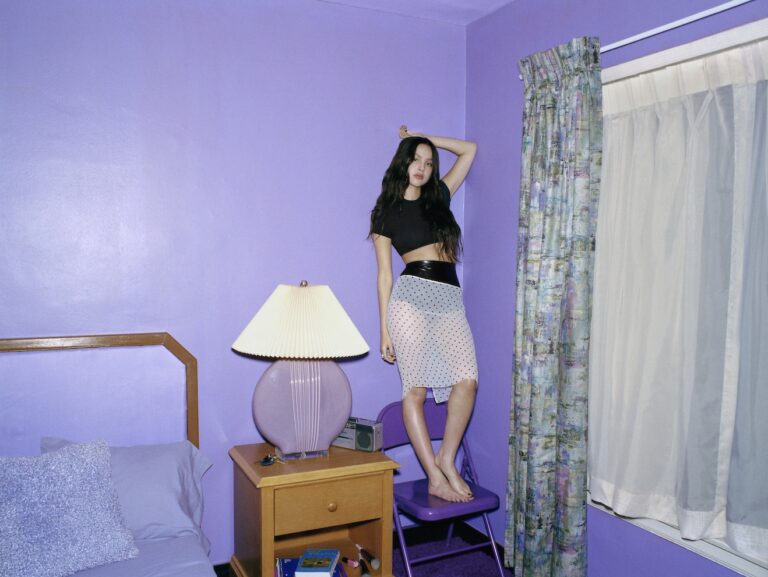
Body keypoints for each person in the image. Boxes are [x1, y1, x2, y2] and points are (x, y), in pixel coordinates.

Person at [370, 125, 478, 503]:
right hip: (410, 298)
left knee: (467, 382)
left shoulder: (439, 197)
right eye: (415, 159)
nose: (422, 167)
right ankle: (434, 476)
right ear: (402, 163)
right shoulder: (386, 213)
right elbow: (385, 275)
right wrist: (384, 330)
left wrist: (426, 137)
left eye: (429, 162)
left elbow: (469, 150)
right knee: (414, 390)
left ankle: (447, 458)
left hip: (449, 297)